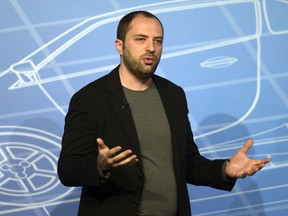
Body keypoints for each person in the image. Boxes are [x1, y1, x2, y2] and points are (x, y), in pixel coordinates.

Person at [57, 11, 271, 216]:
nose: (151, 47)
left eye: (158, 41)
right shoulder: (90, 98)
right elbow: (68, 170)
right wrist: (99, 165)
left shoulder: (173, 95)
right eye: (141, 39)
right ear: (119, 46)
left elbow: (187, 162)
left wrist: (225, 170)